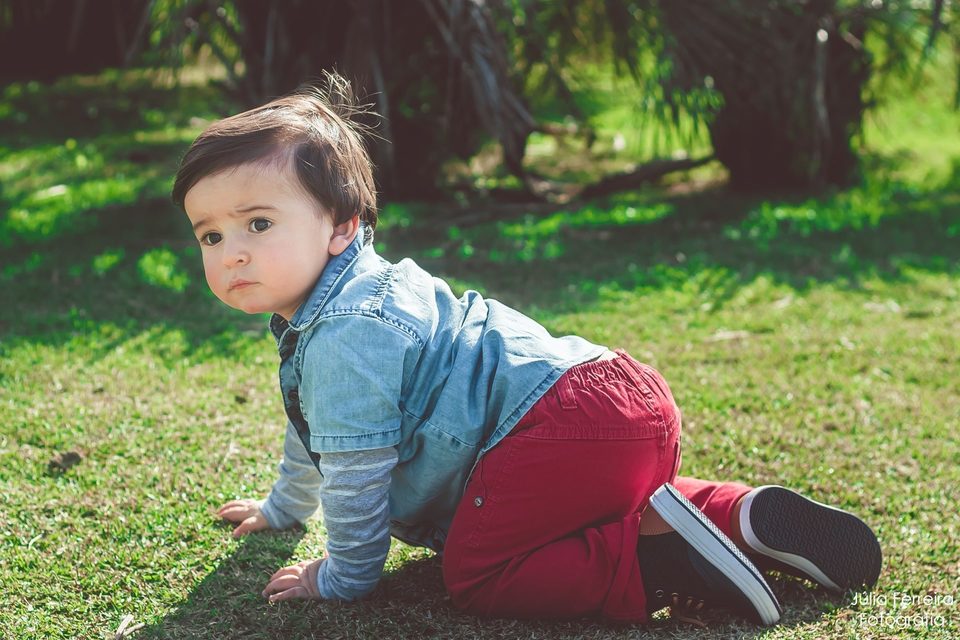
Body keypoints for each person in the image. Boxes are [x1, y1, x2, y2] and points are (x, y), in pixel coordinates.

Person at [171, 76, 881, 626]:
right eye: (210, 236)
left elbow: (355, 476)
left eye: (258, 223)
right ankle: (732, 514)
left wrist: (343, 578)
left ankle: (652, 559)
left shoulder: (348, 334)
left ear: (342, 227)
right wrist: (285, 509)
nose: (232, 253)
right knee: (565, 507)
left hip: (558, 428)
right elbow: (317, 430)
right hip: (616, 400)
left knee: (475, 571)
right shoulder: (345, 308)